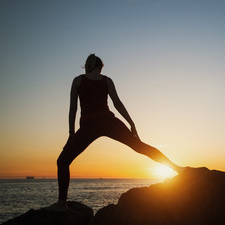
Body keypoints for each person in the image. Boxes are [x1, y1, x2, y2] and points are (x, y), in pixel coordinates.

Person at [47, 54, 183, 210]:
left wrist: (71, 133)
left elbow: (73, 108)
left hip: (88, 125)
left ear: (86, 66)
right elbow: (117, 103)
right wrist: (131, 123)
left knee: (63, 161)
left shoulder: (77, 80)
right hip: (108, 121)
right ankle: (177, 168)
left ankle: (61, 203)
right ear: (99, 67)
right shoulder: (107, 80)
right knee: (139, 146)